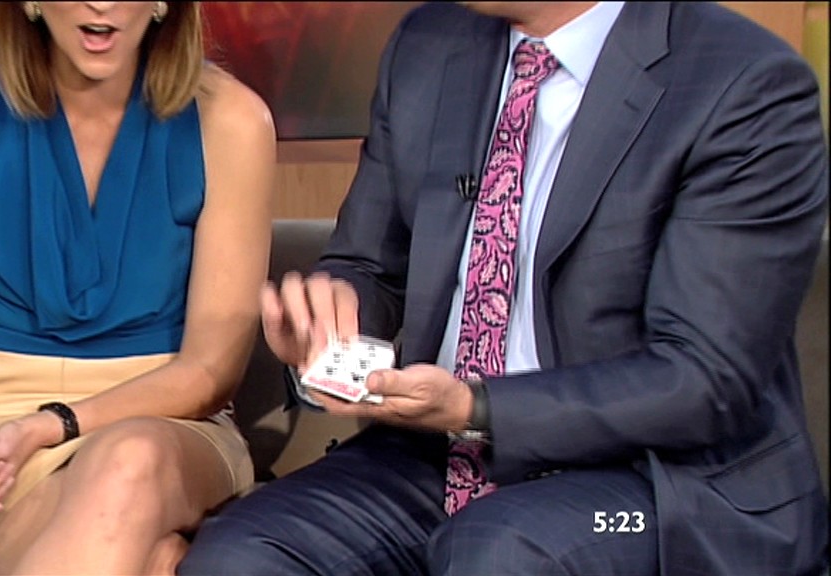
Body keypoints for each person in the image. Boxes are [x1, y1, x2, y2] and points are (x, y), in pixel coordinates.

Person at [178, 2, 829, 575]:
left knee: (501, 552)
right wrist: (331, 321)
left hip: (659, 488)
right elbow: (368, 267)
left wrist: (475, 406)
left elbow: (704, 379)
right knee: (242, 554)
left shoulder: (742, 81)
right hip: (438, 456)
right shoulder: (429, 44)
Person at [0, 1, 275, 574]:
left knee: (128, 459)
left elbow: (211, 370)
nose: (100, 3)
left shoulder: (232, 121)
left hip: (166, 423)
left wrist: (51, 425)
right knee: (152, 560)